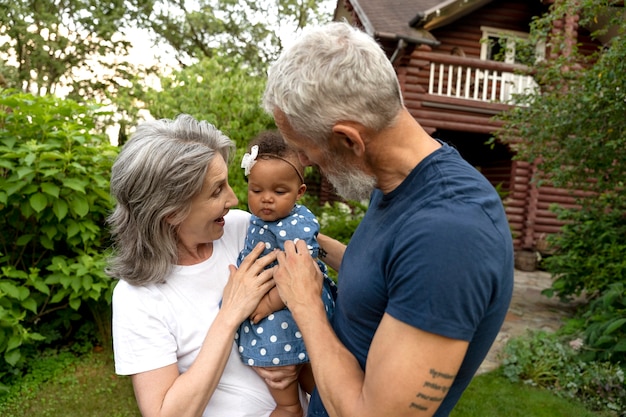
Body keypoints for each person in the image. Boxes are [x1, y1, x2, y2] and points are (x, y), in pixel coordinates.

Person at [261, 21, 515, 417]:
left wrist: (305, 303)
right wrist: (309, 244)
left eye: (306, 150)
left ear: (349, 140)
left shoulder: (451, 234)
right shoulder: (395, 180)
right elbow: (385, 276)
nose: (307, 165)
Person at [107, 114, 303, 417]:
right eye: (216, 190)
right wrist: (229, 315)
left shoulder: (241, 229)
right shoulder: (138, 297)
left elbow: (309, 259)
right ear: (171, 211)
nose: (233, 198)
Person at [235, 130, 336, 417]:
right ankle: (322, 403)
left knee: (280, 357)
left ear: (299, 192)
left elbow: (303, 273)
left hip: (287, 306)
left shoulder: (295, 226)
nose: (266, 199)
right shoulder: (257, 219)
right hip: (277, 301)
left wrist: (267, 303)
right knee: (306, 373)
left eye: (279, 192)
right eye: (256, 190)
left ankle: (288, 406)